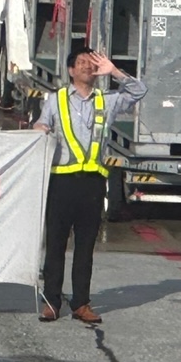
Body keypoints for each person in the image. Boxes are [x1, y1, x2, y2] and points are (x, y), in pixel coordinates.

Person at [34, 47, 147, 325]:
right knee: (56, 246)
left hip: (94, 184)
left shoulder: (106, 100)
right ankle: (51, 302)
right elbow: (40, 125)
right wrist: (39, 130)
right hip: (61, 183)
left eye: (91, 63)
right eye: (81, 63)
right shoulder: (55, 99)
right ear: (71, 70)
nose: (87, 67)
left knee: (85, 248)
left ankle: (81, 303)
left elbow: (139, 91)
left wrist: (115, 72)